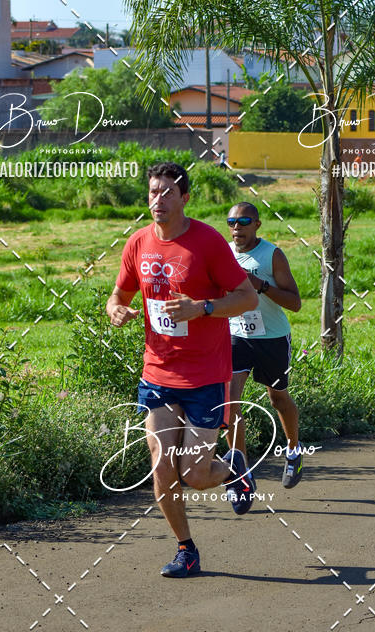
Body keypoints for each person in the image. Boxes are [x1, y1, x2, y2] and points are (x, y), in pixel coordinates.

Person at [106, 162, 258, 578]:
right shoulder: (138, 243)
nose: (159, 200)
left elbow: (247, 299)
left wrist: (202, 308)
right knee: (161, 465)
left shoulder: (208, 243)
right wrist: (116, 310)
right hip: (157, 373)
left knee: (194, 473)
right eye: (153, 192)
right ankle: (186, 550)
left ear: (185, 197)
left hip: (206, 376)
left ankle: (233, 468)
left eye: (168, 192)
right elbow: (117, 294)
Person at [225, 202, 303, 489]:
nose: (237, 227)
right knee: (229, 403)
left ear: (257, 224)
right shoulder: (223, 254)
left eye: (244, 221)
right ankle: (241, 470)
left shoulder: (272, 255)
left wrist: (260, 285)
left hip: (272, 338)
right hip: (237, 336)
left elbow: (295, 303)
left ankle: (293, 451)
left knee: (277, 398)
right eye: (231, 222)